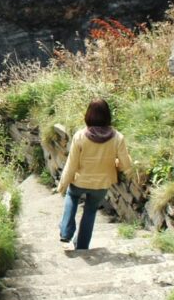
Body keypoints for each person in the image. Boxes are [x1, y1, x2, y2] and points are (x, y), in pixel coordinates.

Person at [57, 99, 133, 250]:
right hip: (101, 184)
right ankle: (82, 246)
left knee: (71, 196)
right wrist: (116, 163)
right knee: (90, 211)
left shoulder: (80, 136)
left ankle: (65, 232)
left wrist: (62, 185)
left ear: (88, 115)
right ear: (107, 116)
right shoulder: (118, 138)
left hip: (80, 181)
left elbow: (71, 165)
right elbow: (126, 165)